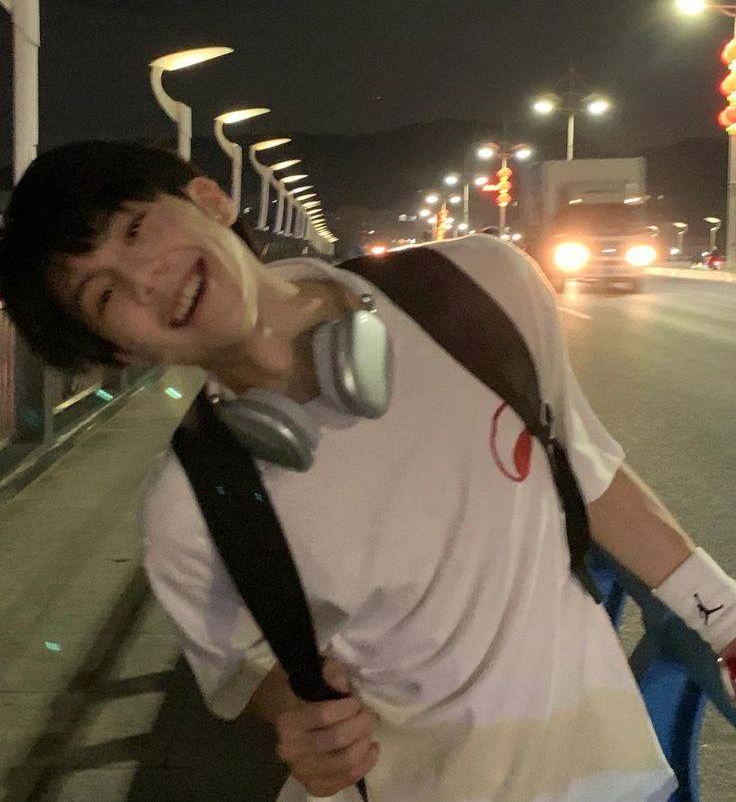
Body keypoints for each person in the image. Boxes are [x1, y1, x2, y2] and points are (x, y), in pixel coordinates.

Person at [2, 140, 735, 802]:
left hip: (610, 774)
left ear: (209, 200)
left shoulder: (480, 287)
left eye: (135, 230)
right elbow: (240, 663)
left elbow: (586, 471)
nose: (145, 281)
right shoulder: (190, 508)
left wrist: (724, 615)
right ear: (124, 356)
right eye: (103, 296)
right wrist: (297, 719)